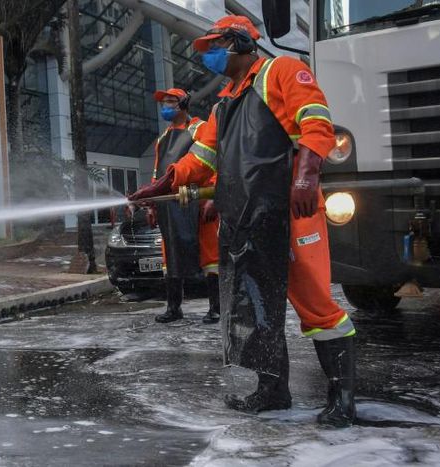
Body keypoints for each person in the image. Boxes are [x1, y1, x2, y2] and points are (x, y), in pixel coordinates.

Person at [129, 16, 357, 427]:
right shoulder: (224, 103)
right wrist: (162, 182)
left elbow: (316, 123)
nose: (209, 57)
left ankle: (342, 397)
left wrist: (306, 176)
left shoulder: (280, 71)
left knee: (315, 305)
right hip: (247, 218)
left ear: (237, 42)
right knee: (256, 306)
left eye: (214, 47)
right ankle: (272, 392)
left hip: (290, 213)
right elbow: (202, 158)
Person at [147, 88, 220, 325]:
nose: (165, 107)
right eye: (163, 103)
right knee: (171, 253)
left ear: (184, 104)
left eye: (170, 102)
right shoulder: (162, 139)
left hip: (200, 199)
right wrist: (151, 205)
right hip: (171, 204)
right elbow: (158, 176)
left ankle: (216, 308)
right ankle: (174, 308)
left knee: (210, 254)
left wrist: (213, 197)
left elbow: (216, 160)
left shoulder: (200, 128)